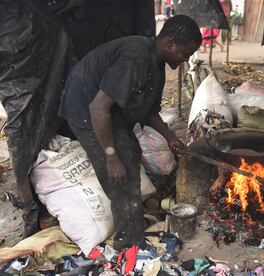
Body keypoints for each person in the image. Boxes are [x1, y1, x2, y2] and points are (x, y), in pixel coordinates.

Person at [58, 15, 202, 251]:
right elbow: (98, 108)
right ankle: (128, 245)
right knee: (120, 174)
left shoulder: (156, 65)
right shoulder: (136, 57)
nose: (185, 59)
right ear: (170, 43)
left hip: (109, 110)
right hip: (86, 107)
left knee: (131, 154)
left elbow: (151, 112)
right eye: (185, 53)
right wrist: (111, 156)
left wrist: (170, 138)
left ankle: (131, 219)